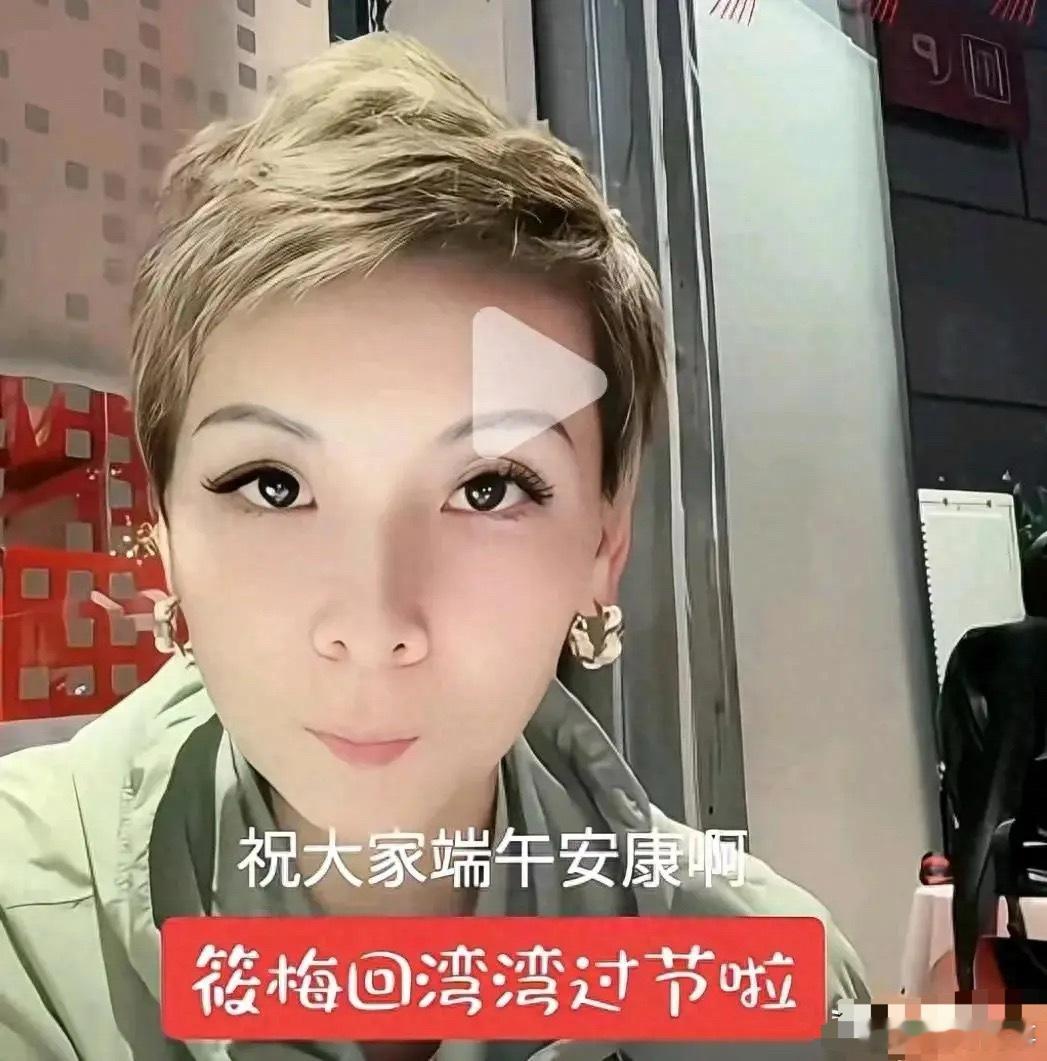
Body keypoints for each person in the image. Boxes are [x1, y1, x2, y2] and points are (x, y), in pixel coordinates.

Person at [0, 33, 868, 1061]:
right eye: (273, 485)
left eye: (487, 487)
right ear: (169, 525)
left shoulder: (771, 989)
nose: (374, 625)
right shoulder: (26, 935)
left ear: (605, 535)